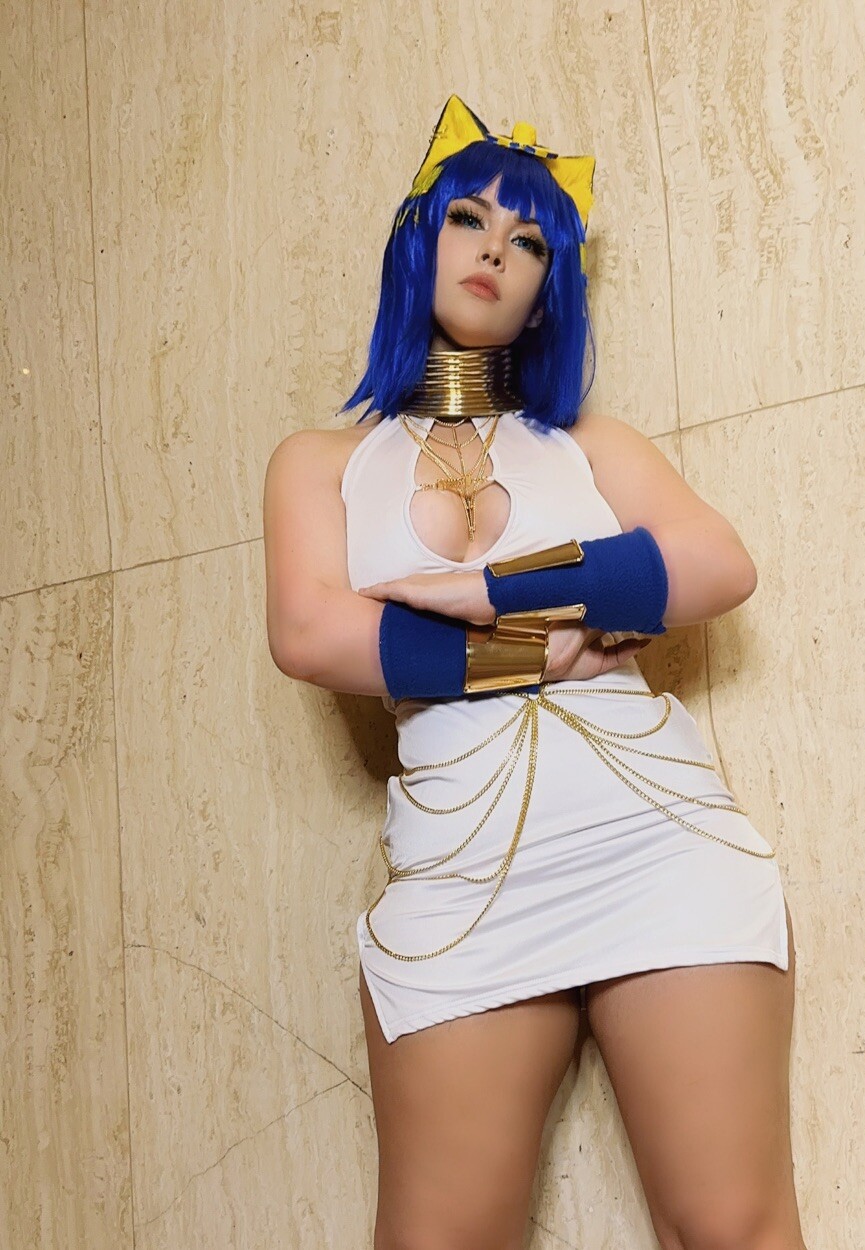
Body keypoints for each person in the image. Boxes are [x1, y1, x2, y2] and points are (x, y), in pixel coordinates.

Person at [263, 94, 807, 1250]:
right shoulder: (318, 462)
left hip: (653, 841)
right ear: (419, 241)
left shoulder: (591, 445)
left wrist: (485, 589)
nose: (494, 252)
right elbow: (310, 633)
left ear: (546, 289)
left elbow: (717, 564)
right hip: (458, 875)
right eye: (469, 219)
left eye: (529, 243)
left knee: (733, 1226)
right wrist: (550, 639)